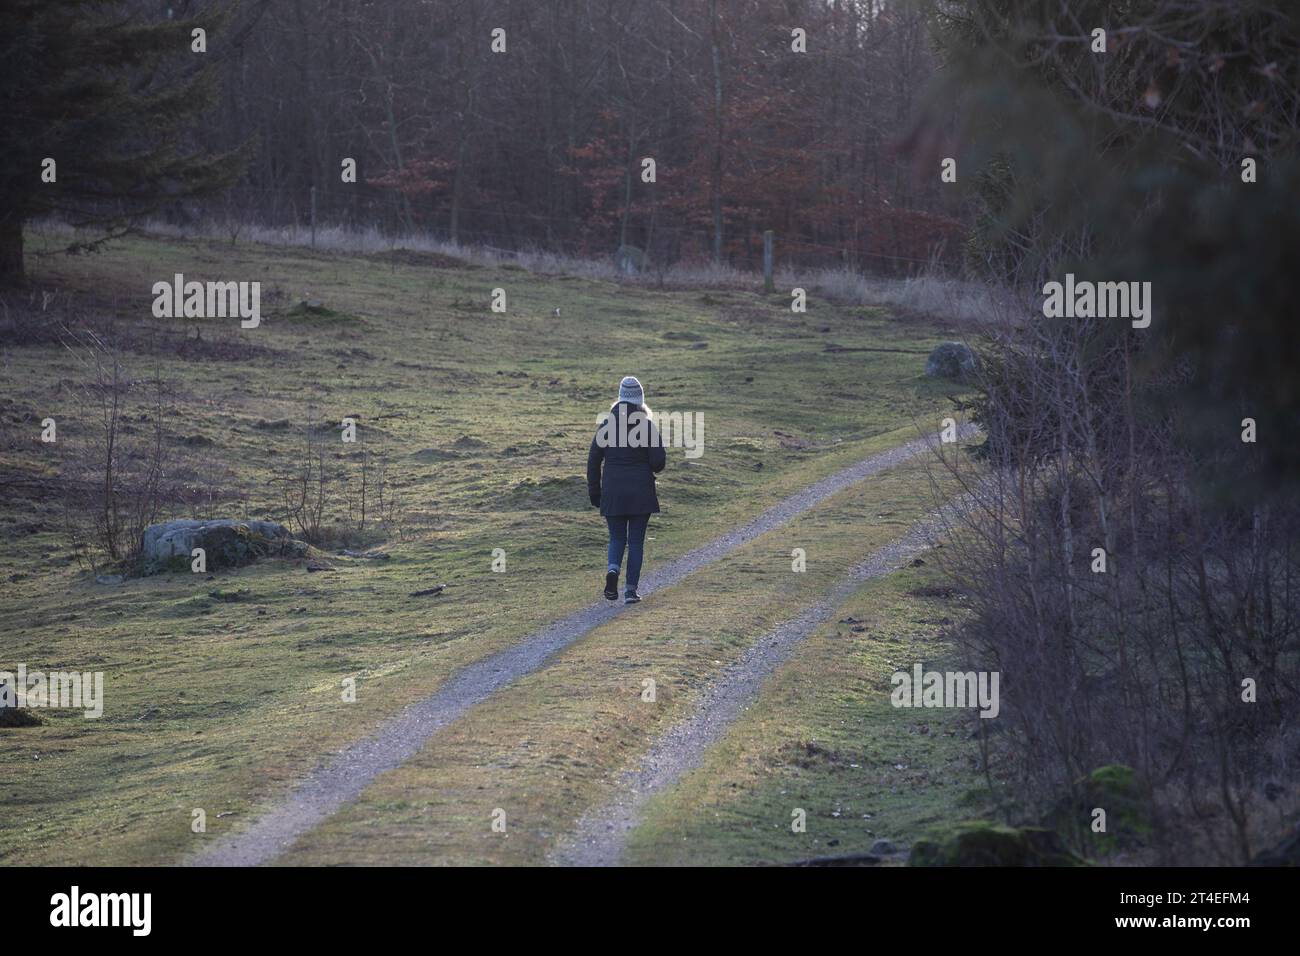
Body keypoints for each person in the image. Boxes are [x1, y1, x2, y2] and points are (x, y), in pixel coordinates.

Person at [587, 375, 666, 604]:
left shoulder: (606, 425)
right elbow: (658, 463)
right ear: (640, 400)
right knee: (636, 542)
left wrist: (595, 491)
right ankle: (631, 591)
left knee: (616, 538)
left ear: (619, 399)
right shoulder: (646, 426)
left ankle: (613, 571)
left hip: (612, 492)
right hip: (641, 493)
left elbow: (593, 460)